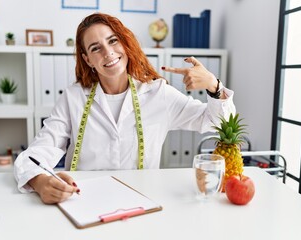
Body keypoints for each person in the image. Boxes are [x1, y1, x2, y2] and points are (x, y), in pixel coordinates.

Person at [14, 12, 236, 204]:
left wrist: (213, 86)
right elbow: (36, 154)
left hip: (142, 201)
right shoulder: (73, 98)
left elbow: (217, 123)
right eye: (95, 48)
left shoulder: (158, 94)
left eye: (112, 41)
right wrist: (40, 181)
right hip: (83, 201)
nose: (108, 53)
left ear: (125, 43)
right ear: (88, 59)